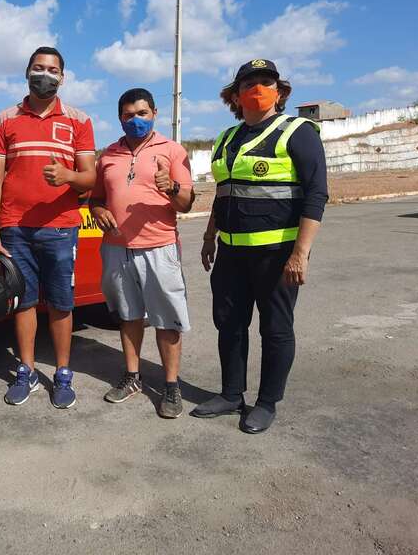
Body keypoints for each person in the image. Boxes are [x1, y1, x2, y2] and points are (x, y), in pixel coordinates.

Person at [192, 59, 328, 433]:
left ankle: (267, 403)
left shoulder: (297, 132)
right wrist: (209, 236)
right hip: (232, 252)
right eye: (249, 82)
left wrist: (301, 253)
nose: (258, 87)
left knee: (275, 328)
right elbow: (224, 193)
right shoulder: (227, 138)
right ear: (235, 95)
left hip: (278, 253)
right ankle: (231, 394)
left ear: (280, 92)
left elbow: (317, 195)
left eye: (267, 81)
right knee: (229, 324)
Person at [0, 46, 96, 408]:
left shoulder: (79, 120)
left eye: (52, 70)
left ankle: (63, 374)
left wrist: (67, 176)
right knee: (24, 302)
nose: (44, 74)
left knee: (62, 304)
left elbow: (90, 178)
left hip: (61, 228)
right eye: (38, 68)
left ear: (62, 77)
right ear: (27, 71)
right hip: (15, 228)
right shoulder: (5, 120)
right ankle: (27, 371)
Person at [90, 88, 194, 418]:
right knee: (128, 315)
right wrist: (97, 210)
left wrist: (172, 187)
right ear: (119, 118)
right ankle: (132, 377)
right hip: (116, 249)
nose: (135, 120)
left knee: (167, 320)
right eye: (128, 115)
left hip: (160, 247)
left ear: (155, 113)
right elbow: (96, 198)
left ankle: (171, 386)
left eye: (141, 113)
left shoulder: (173, 151)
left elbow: (187, 203)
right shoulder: (108, 154)